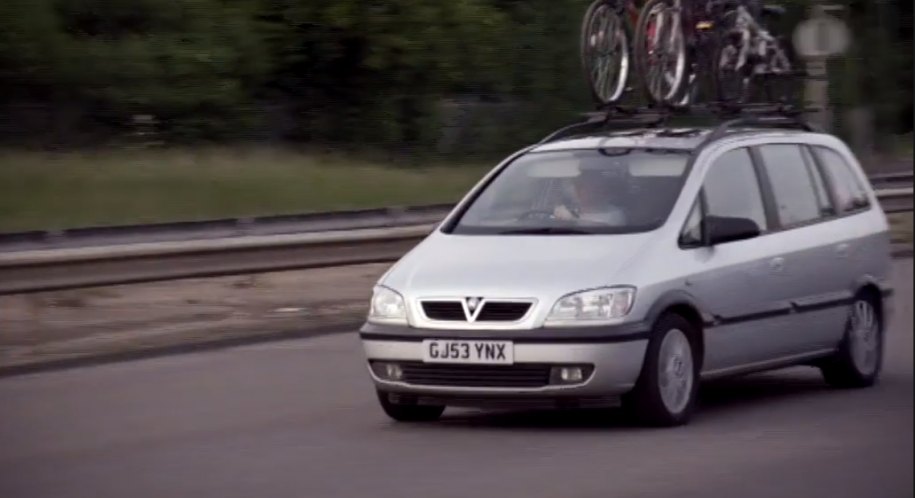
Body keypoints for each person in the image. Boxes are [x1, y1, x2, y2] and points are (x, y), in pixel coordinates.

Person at [552, 170, 627, 225]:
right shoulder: (571, 210)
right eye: (577, 187)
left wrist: (571, 220)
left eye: (584, 188)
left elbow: (602, 227)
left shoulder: (614, 213)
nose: (578, 192)